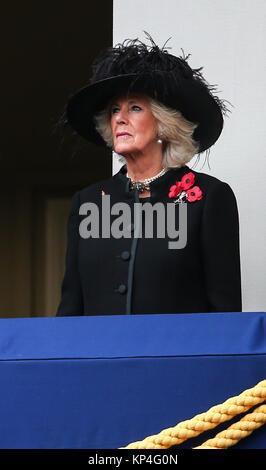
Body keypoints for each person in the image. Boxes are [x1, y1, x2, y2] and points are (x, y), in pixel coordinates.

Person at [56, 34, 242, 316]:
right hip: (102, 359)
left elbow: (225, 314)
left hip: (177, 359)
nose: (120, 117)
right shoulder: (87, 202)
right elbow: (71, 307)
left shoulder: (209, 198)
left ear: (164, 124)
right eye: (114, 110)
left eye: (135, 108)